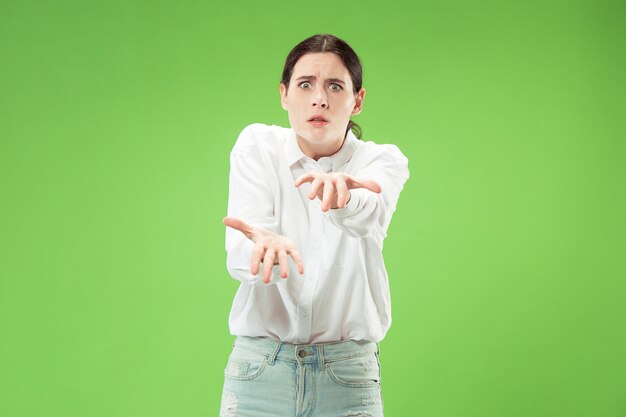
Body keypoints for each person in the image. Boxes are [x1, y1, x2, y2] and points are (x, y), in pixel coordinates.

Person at [219, 33, 409, 417]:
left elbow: (369, 214)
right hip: (259, 371)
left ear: (357, 101)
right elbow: (240, 256)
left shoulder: (383, 161)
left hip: (348, 375)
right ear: (284, 94)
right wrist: (263, 250)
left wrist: (344, 197)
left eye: (335, 86)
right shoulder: (257, 147)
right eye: (305, 84)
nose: (319, 98)